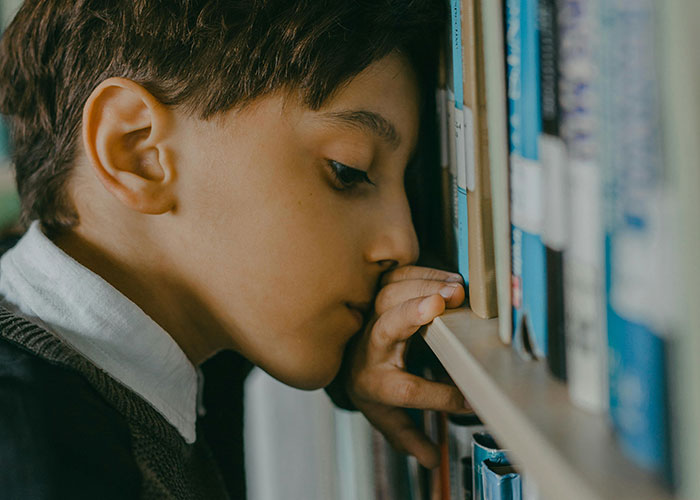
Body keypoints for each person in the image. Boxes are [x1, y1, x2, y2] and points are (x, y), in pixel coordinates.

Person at [0, 1, 469, 498]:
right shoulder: (41, 461)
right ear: (137, 151)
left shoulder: (170, 351)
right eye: (347, 171)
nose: (403, 244)